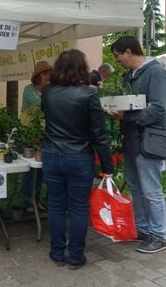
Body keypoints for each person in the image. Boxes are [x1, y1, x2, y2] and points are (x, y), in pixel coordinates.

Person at [41, 49, 113, 269]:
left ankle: (56, 252)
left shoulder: (47, 92)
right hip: (79, 156)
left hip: (52, 154)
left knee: (55, 206)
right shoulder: (89, 94)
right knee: (79, 208)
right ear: (81, 68)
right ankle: (75, 257)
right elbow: (99, 134)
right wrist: (108, 166)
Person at [108, 35, 166, 253]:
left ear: (128, 52)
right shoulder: (129, 76)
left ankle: (159, 235)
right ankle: (143, 230)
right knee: (136, 187)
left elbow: (159, 108)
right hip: (132, 139)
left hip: (149, 138)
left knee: (151, 190)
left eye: (117, 56)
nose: (116, 60)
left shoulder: (155, 72)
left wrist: (126, 117)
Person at [21, 60, 51, 213]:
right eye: (45, 74)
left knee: (40, 168)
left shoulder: (49, 90)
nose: (48, 77)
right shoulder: (29, 90)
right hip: (29, 133)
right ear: (38, 76)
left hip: (42, 132)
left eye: (49, 74)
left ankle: (36, 200)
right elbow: (40, 104)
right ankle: (27, 202)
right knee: (30, 169)